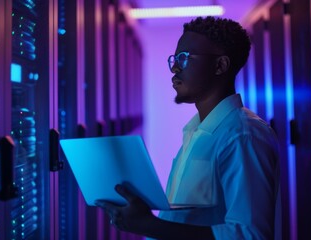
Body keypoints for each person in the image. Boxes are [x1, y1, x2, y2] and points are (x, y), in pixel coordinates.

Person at [96, 16, 280, 239]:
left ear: (220, 65)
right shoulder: (196, 131)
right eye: (174, 59)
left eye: (184, 58)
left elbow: (251, 235)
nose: (174, 68)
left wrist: (149, 226)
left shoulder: (243, 135)